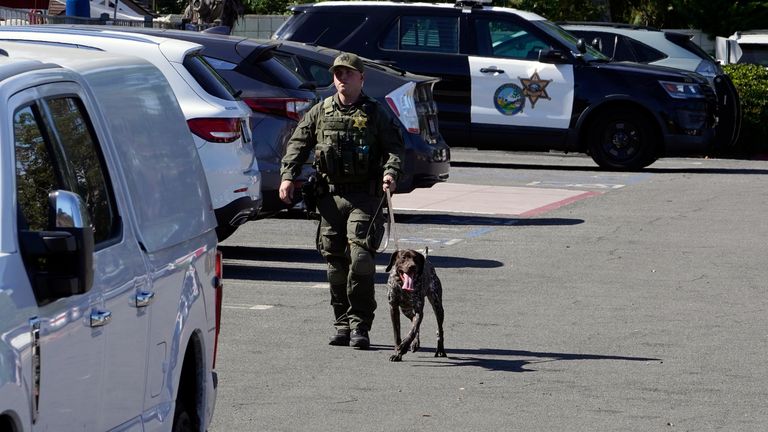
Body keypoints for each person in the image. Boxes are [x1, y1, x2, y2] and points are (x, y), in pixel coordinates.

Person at [279, 52, 404, 350]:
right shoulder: (320, 111)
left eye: (348, 73)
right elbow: (298, 142)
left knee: (360, 259)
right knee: (335, 263)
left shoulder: (375, 113)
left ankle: (361, 324)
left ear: (361, 78)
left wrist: (390, 173)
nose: (341, 78)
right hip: (330, 197)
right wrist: (287, 176)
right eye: (337, 73)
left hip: (364, 195)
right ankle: (342, 323)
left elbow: (394, 148)